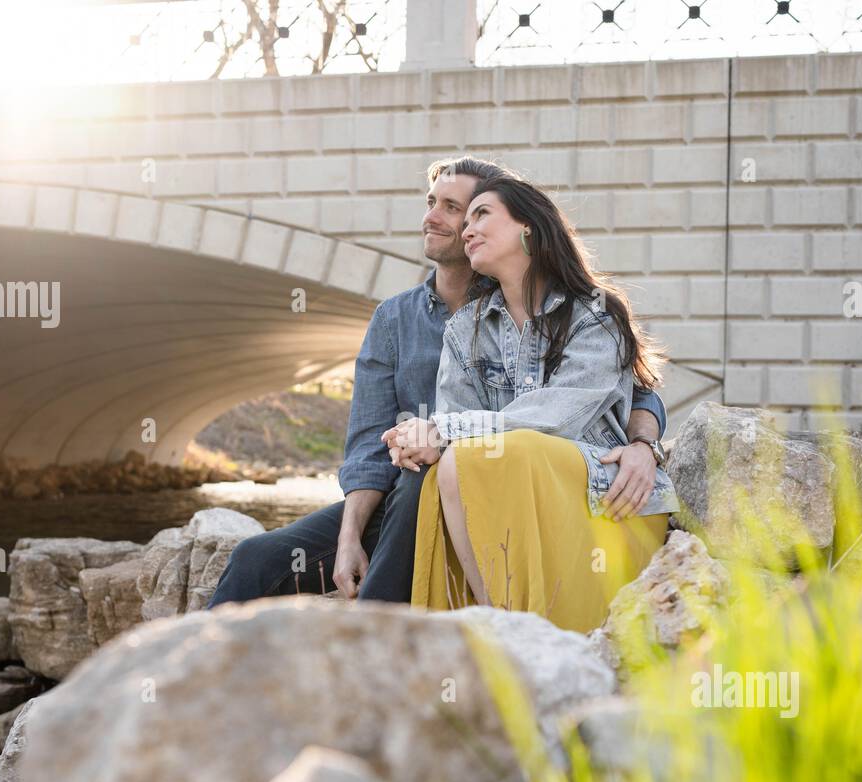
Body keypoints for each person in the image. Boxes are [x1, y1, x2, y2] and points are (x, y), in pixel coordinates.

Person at [206, 156, 670, 608]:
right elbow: (371, 444)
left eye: (462, 210)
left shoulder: (584, 310)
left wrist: (643, 445)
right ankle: (187, 676)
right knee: (256, 558)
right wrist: (349, 538)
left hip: (483, 483)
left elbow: (628, 389)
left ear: (522, 224)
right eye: (434, 203)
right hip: (415, 495)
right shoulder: (408, 320)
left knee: (427, 475)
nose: (439, 219)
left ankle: (377, 634)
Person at [383, 174, 678, 632]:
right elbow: (456, 416)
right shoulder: (466, 329)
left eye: (482, 215)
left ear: (529, 230)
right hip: (513, 485)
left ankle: (510, 631)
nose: (467, 229)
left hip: (603, 493)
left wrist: (445, 431)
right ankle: (499, 624)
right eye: (468, 220)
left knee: (473, 455)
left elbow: (559, 418)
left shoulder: (595, 313)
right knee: (448, 465)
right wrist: (420, 438)